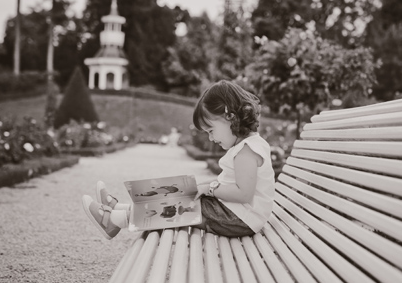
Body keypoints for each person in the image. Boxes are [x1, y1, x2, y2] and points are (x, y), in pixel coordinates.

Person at [81, 80, 275, 239]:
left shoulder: (247, 150)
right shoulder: (245, 146)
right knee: (184, 189)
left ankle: (114, 221)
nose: (210, 138)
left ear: (229, 117)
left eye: (210, 130)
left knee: (187, 205)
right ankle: (123, 208)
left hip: (240, 219)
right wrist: (206, 187)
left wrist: (209, 188)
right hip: (234, 214)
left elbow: (243, 194)